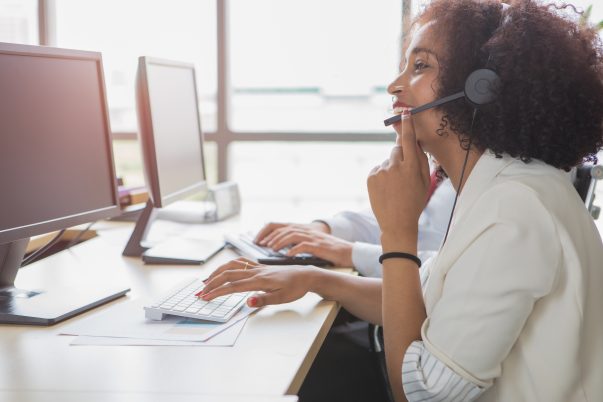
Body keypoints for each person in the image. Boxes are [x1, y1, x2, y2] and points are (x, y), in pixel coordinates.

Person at [200, 0, 603, 400]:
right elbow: (422, 299)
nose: (395, 85)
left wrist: (399, 230)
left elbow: (419, 391)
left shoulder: (513, 209)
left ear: (480, 89)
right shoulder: (501, 188)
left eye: (420, 66)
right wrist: (312, 279)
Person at [253, 174, 455, 277]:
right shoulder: (447, 174)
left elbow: (442, 271)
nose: (392, 90)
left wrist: (348, 253)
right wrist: (324, 229)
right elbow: (410, 226)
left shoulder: (479, 183)